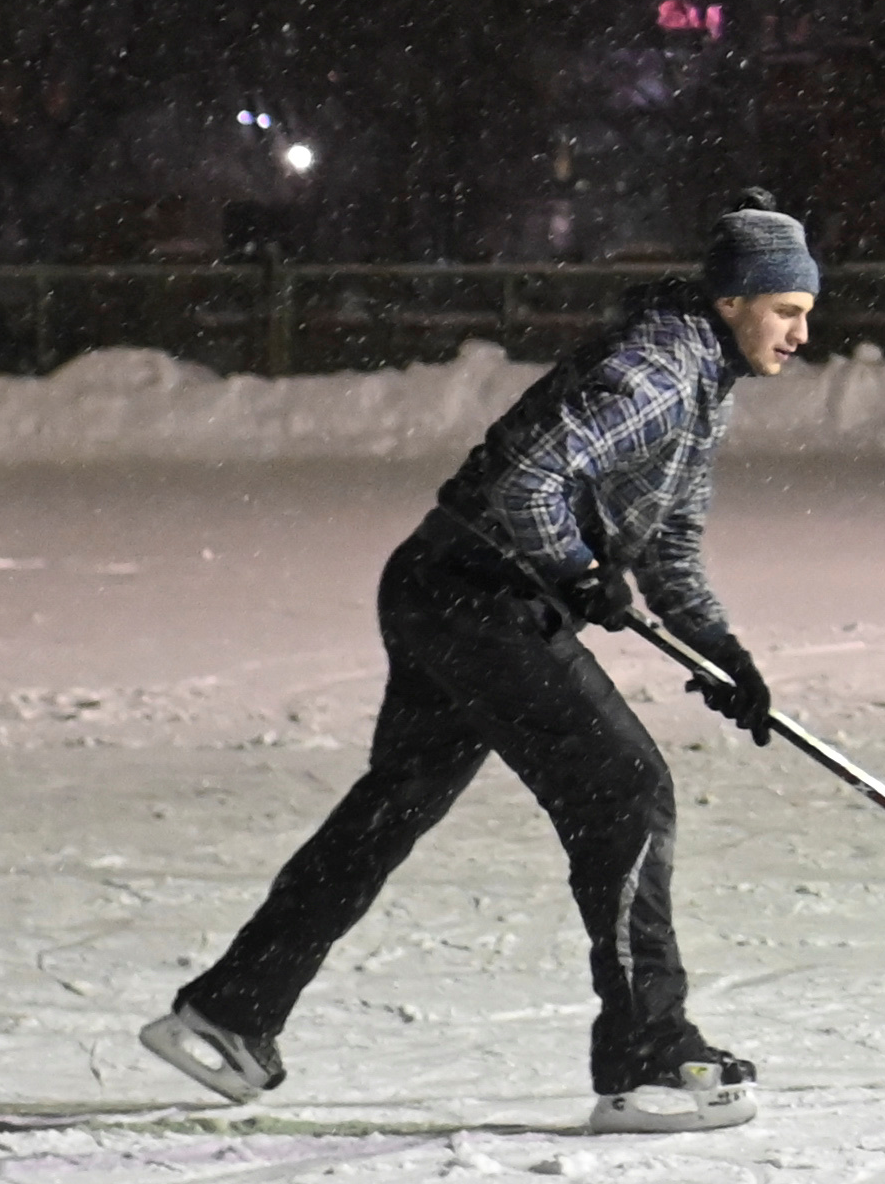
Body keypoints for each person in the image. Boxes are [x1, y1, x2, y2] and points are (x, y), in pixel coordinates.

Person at [141, 199, 818, 1135]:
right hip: (479, 598)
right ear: (734, 297)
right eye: (786, 308)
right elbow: (525, 480)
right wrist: (579, 572)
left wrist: (723, 652)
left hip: (443, 584)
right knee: (623, 788)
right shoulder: (657, 373)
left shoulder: (700, 380)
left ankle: (231, 1009)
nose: (802, 331)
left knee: (393, 806)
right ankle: (646, 1052)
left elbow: (670, 544)